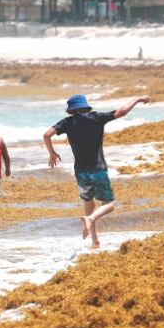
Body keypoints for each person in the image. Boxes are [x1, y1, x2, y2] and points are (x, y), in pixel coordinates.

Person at [44, 94, 151, 249]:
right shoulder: (96, 118)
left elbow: (47, 135)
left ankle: (95, 241)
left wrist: (52, 153)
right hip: (98, 169)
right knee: (110, 204)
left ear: (71, 110)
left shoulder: (67, 122)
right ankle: (91, 219)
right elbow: (121, 112)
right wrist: (138, 99)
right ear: (86, 106)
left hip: (80, 171)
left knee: (88, 204)